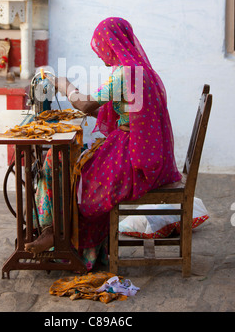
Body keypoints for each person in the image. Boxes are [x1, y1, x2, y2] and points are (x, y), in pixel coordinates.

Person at [24, 17, 182, 270]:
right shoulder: (140, 70)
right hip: (141, 152)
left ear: (112, 44)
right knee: (68, 163)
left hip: (133, 159)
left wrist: (65, 86)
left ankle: (56, 234)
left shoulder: (126, 73)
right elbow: (121, 112)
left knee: (65, 167)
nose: (100, 56)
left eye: (101, 48)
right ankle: (55, 232)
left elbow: (86, 104)